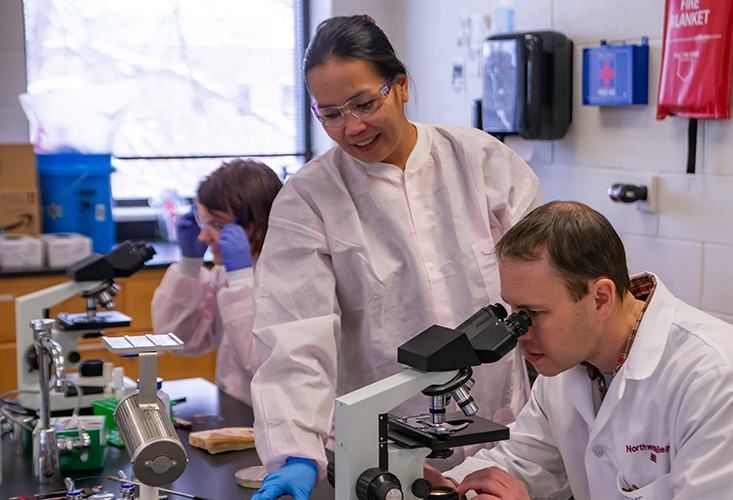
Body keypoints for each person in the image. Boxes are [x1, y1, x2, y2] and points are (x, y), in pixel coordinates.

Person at [249, 14, 543, 500]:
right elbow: (295, 333)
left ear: (401, 85)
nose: (353, 126)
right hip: (382, 450)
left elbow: (548, 286)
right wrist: (295, 448)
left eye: (364, 103)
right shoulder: (309, 198)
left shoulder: (481, 162)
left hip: (502, 434)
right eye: (331, 113)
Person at [425, 201, 733, 500]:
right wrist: (444, 487)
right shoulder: (569, 367)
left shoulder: (719, 380)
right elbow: (523, 460)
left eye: (532, 313)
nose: (518, 332)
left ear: (601, 298)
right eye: (513, 312)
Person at [151, 159, 282, 406]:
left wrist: (241, 282)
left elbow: (270, 369)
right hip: (235, 408)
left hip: (280, 420)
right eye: (203, 222)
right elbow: (180, 341)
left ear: (260, 222)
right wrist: (189, 265)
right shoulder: (225, 271)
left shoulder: (293, 275)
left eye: (217, 225)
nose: (203, 236)